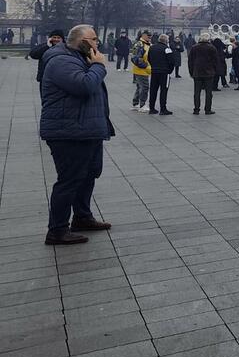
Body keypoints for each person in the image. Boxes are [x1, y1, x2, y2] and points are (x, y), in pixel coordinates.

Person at [39, 24, 115, 245]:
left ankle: (82, 217)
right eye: (93, 39)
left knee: (89, 174)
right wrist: (100, 66)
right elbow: (84, 86)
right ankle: (57, 230)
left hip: (85, 130)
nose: (97, 43)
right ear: (81, 41)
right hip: (69, 132)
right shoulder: (61, 60)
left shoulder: (77, 57)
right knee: (69, 180)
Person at [189, 32, 220, 114]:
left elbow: (190, 61)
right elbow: (216, 61)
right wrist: (214, 71)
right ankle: (207, 109)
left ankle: (196, 109)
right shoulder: (212, 48)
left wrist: (191, 72)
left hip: (197, 72)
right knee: (208, 93)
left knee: (197, 92)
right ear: (208, 39)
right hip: (208, 73)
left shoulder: (194, 47)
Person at [29, 29, 66, 93]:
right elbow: (33, 54)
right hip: (45, 78)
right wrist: (47, 46)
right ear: (50, 38)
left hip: (61, 78)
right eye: (54, 37)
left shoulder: (66, 48)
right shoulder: (45, 46)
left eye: (58, 38)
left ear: (62, 39)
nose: (56, 39)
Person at [146, 34, 174, 115]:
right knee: (163, 90)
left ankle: (152, 108)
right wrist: (170, 70)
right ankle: (163, 109)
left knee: (153, 90)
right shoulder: (167, 49)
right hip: (164, 72)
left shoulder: (152, 47)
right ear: (166, 40)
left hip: (154, 71)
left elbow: (149, 58)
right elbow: (171, 61)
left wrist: (153, 66)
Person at [130, 31, 152, 110]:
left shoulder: (147, 44)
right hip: (141, 69)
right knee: (145, 87)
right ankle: (142, 105)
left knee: (139, 86)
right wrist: (145, 66)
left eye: (150, 36)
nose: (150, 37)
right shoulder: (139, 44)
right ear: (143, 35)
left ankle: (136, 103)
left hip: (143, 69)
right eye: (148, 36)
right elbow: (135, 58)